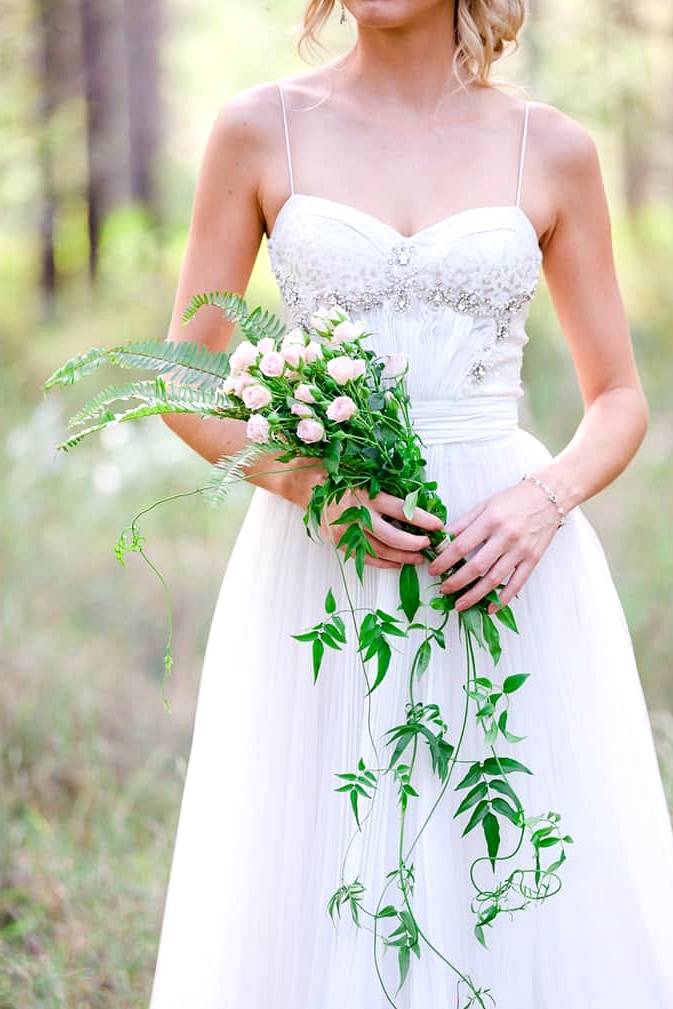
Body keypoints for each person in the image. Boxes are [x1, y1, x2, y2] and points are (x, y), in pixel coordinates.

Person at [148, 2, 673, 1007]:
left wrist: (542, 499)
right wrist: (310, 483)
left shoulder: (550, 147)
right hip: (325, 557)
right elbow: (186, 377)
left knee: (512, 862)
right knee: (323, 853)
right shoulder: (260, 128)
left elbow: (619, 398)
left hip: (504, 559)